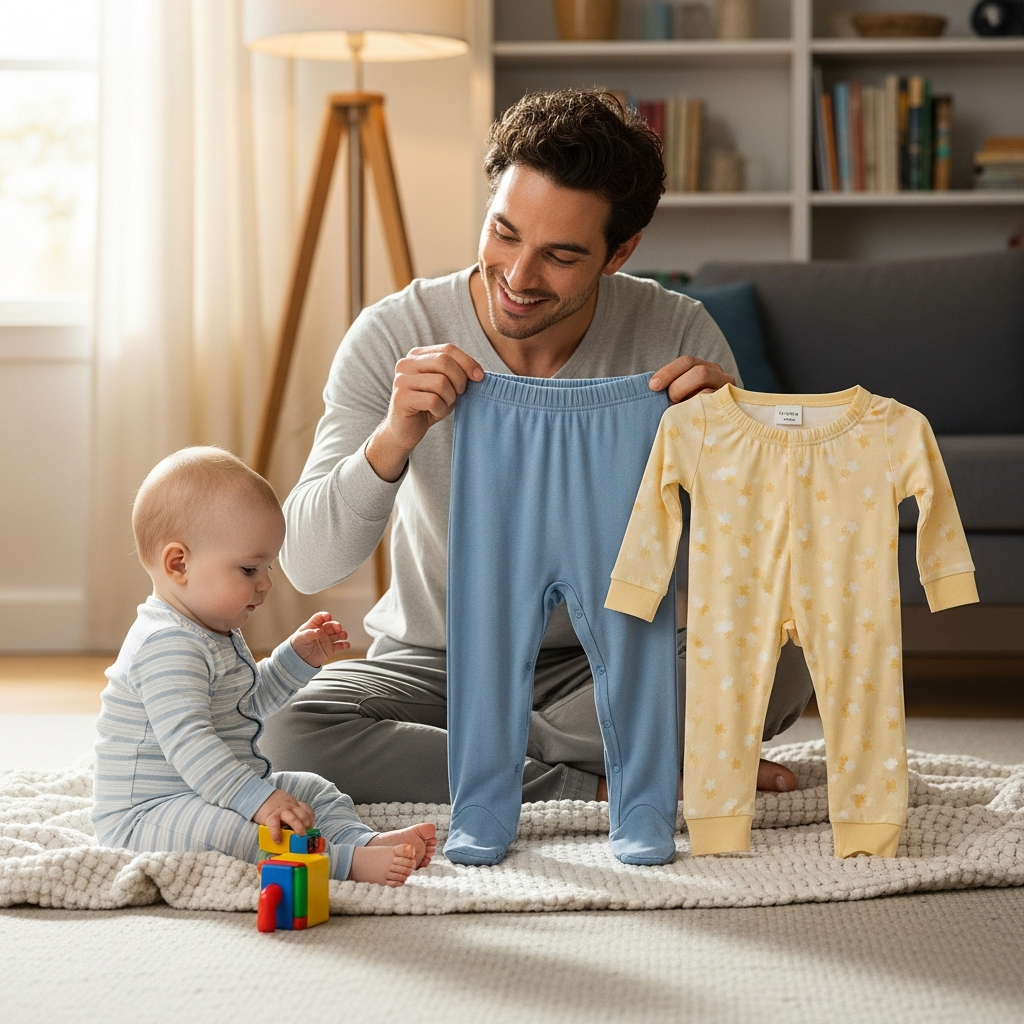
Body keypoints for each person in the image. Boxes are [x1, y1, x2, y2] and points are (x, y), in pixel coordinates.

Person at [261, 89, 813, 806]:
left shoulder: (677, 333)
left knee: (785, 653)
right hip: (436, 665)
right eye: (504, 233)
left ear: (620, 253)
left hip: (610, 664)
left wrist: (736, 460)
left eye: (560, 255)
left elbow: (761, 567)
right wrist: (392, 440)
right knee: (286, 732)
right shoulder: (394, 333)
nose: (519, 277)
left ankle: (508, 755)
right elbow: (307, 563)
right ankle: (604, 776)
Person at [91, 446, 437, 886]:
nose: (266, 583)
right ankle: (342, 864)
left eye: (267, 567)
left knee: (312, 789)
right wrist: (258, 800)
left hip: (208, 792)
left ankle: (360, 841)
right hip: (148, 814)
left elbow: (247, 706)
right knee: (239, 832)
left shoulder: (213, 630)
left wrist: (295, 660)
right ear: (179, 564)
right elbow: (192, 745)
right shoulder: (166, 644)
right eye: (249, 569)